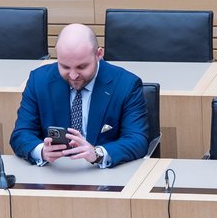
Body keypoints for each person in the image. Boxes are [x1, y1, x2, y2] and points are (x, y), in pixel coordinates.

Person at [9, 23, 149, 168]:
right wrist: (42, 151)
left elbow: (137, 140)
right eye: (65, 66)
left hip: (103, 173)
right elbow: (21, 134)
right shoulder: (39, 81)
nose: (73, 75)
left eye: (81, 67)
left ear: (99, 54)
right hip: (55, 172)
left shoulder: (126, 84)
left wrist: (98, 154)